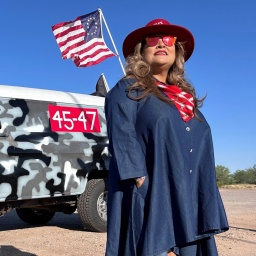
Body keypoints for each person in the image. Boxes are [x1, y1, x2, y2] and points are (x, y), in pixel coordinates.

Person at [104, 18, 229, 256]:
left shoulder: (185, 99)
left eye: (168, 39)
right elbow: (123, 141)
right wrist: (143, 185)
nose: (161, 42)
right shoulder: (128, 90)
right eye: (153, 38)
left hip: (190, 204)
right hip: (152, 202)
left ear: (176, 51)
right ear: (140, 51)